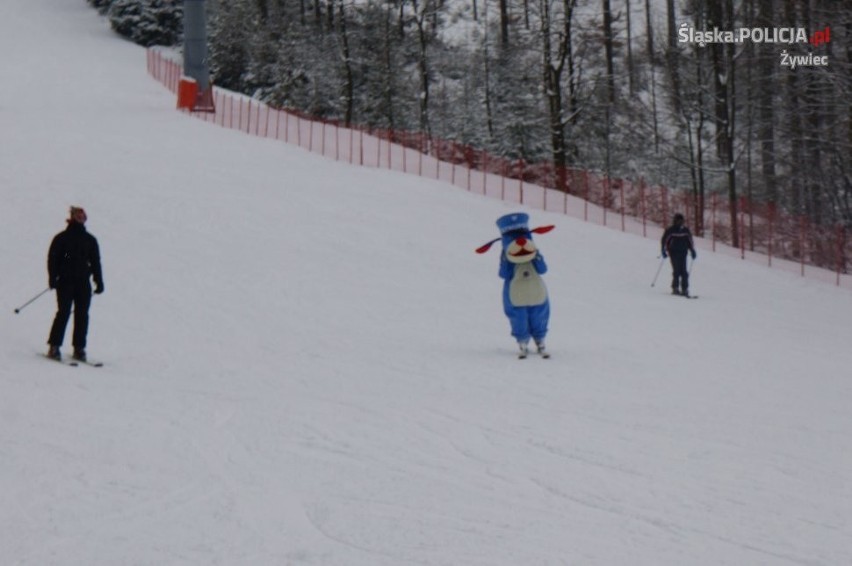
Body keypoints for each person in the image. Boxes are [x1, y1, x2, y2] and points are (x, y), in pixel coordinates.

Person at [46, 206, 104, 362]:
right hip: (65, 282)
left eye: (83, 215)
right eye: (78, 215)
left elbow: (95, 262)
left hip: (83, 283)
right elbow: (53, 259)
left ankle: (79, 348)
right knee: (63, 312)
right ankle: (54, 346)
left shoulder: (90, 240)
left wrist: (99, 281)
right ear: (71, 217)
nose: (81, 217)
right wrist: (53, 278)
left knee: (82, 315)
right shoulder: (62, 238)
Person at [661, 213, 696, 296]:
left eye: (681, 221)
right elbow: (664, 241)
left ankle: (685, 288)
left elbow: (689, 241)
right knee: (676, 270)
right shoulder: (671, 230)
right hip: (673, 252)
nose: (680, 222)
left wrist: (692, 250)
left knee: (684, 271)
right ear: (675, 221)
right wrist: (663, 250)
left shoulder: (685, 230)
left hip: (683, 252)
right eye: (678, 221)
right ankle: (675, 287)